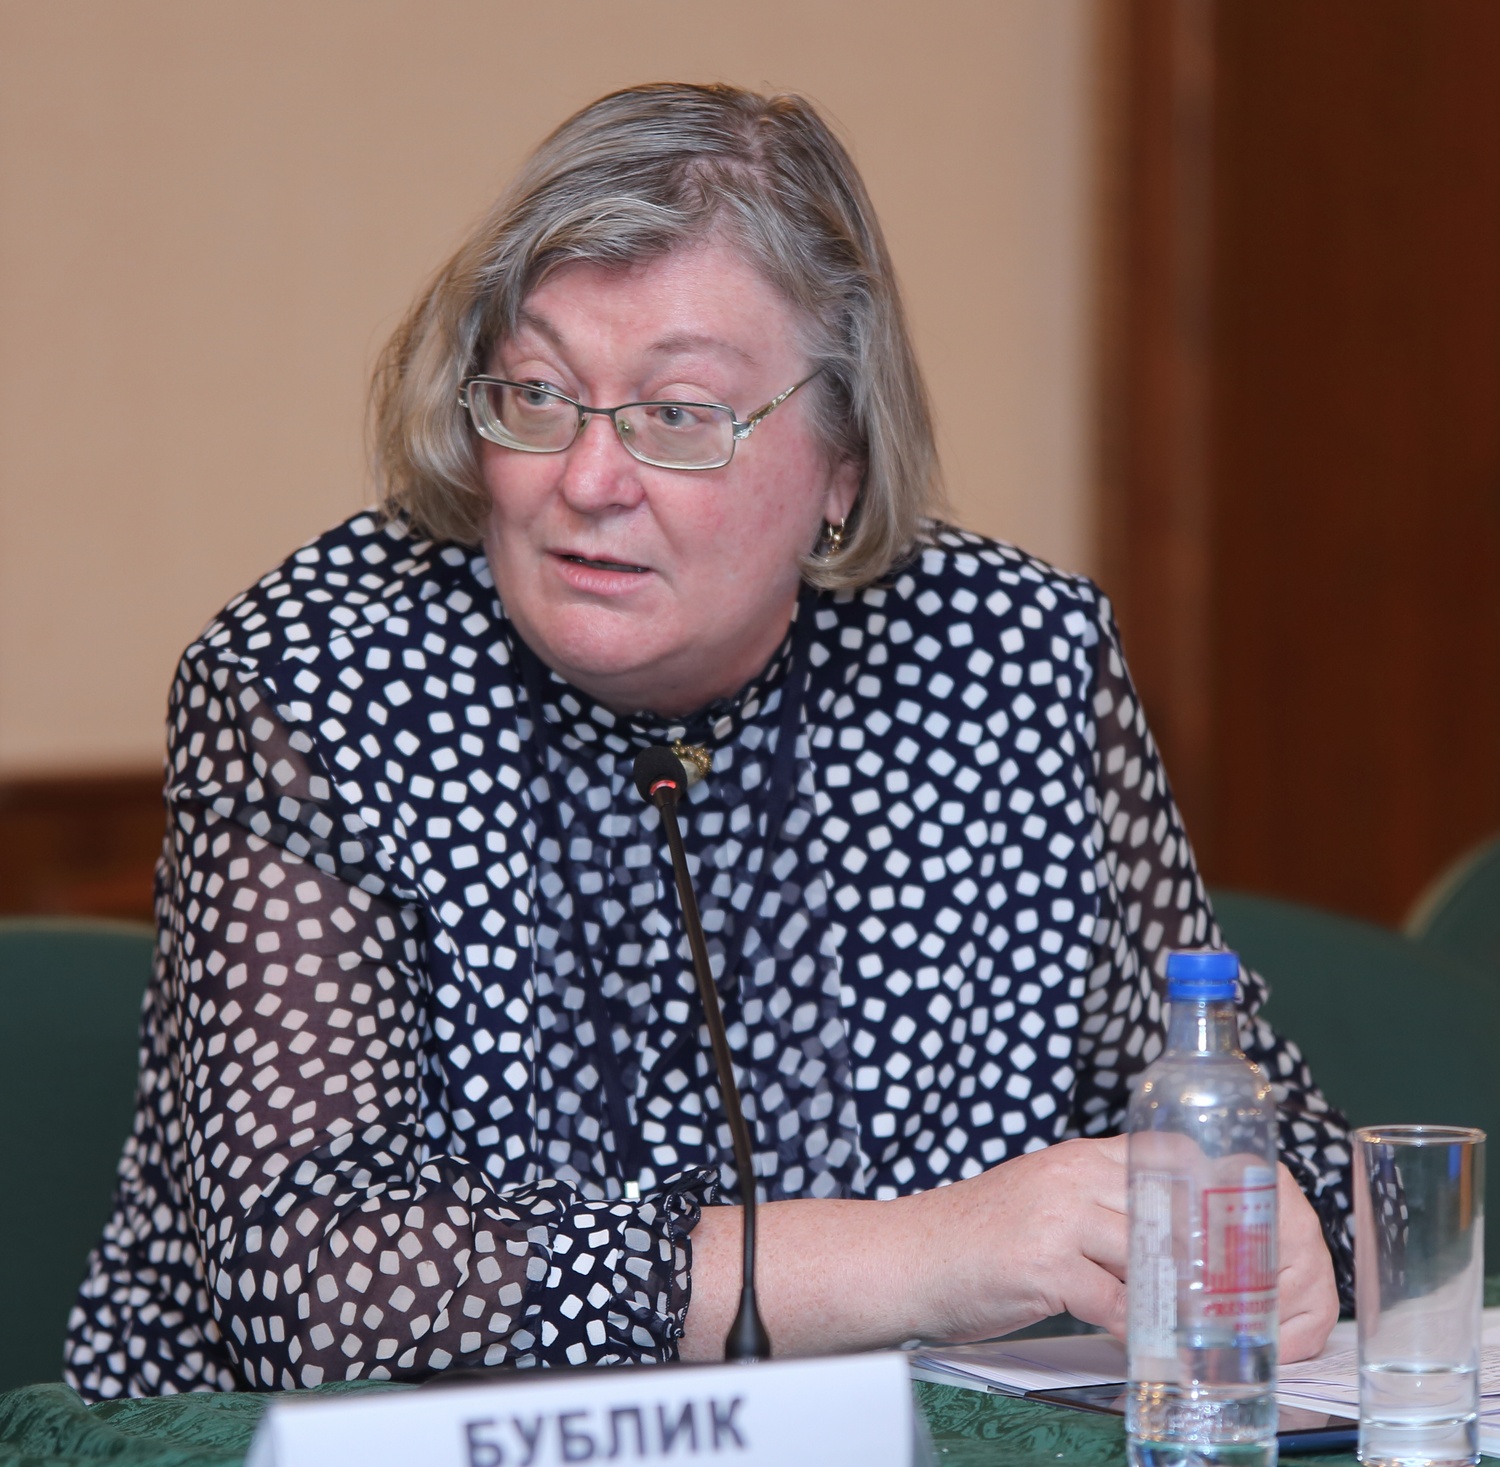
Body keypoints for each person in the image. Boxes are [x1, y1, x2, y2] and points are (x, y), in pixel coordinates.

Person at [64, 82, 1351, 1401]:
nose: (586, 479)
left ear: (844, 461)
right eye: (538, 393)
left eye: (678, 413)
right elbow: (310, 1290)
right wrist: (929, 1254)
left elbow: (1267, 1139)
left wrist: (1285, 1232)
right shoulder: (318, 680)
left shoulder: (1018, 659)